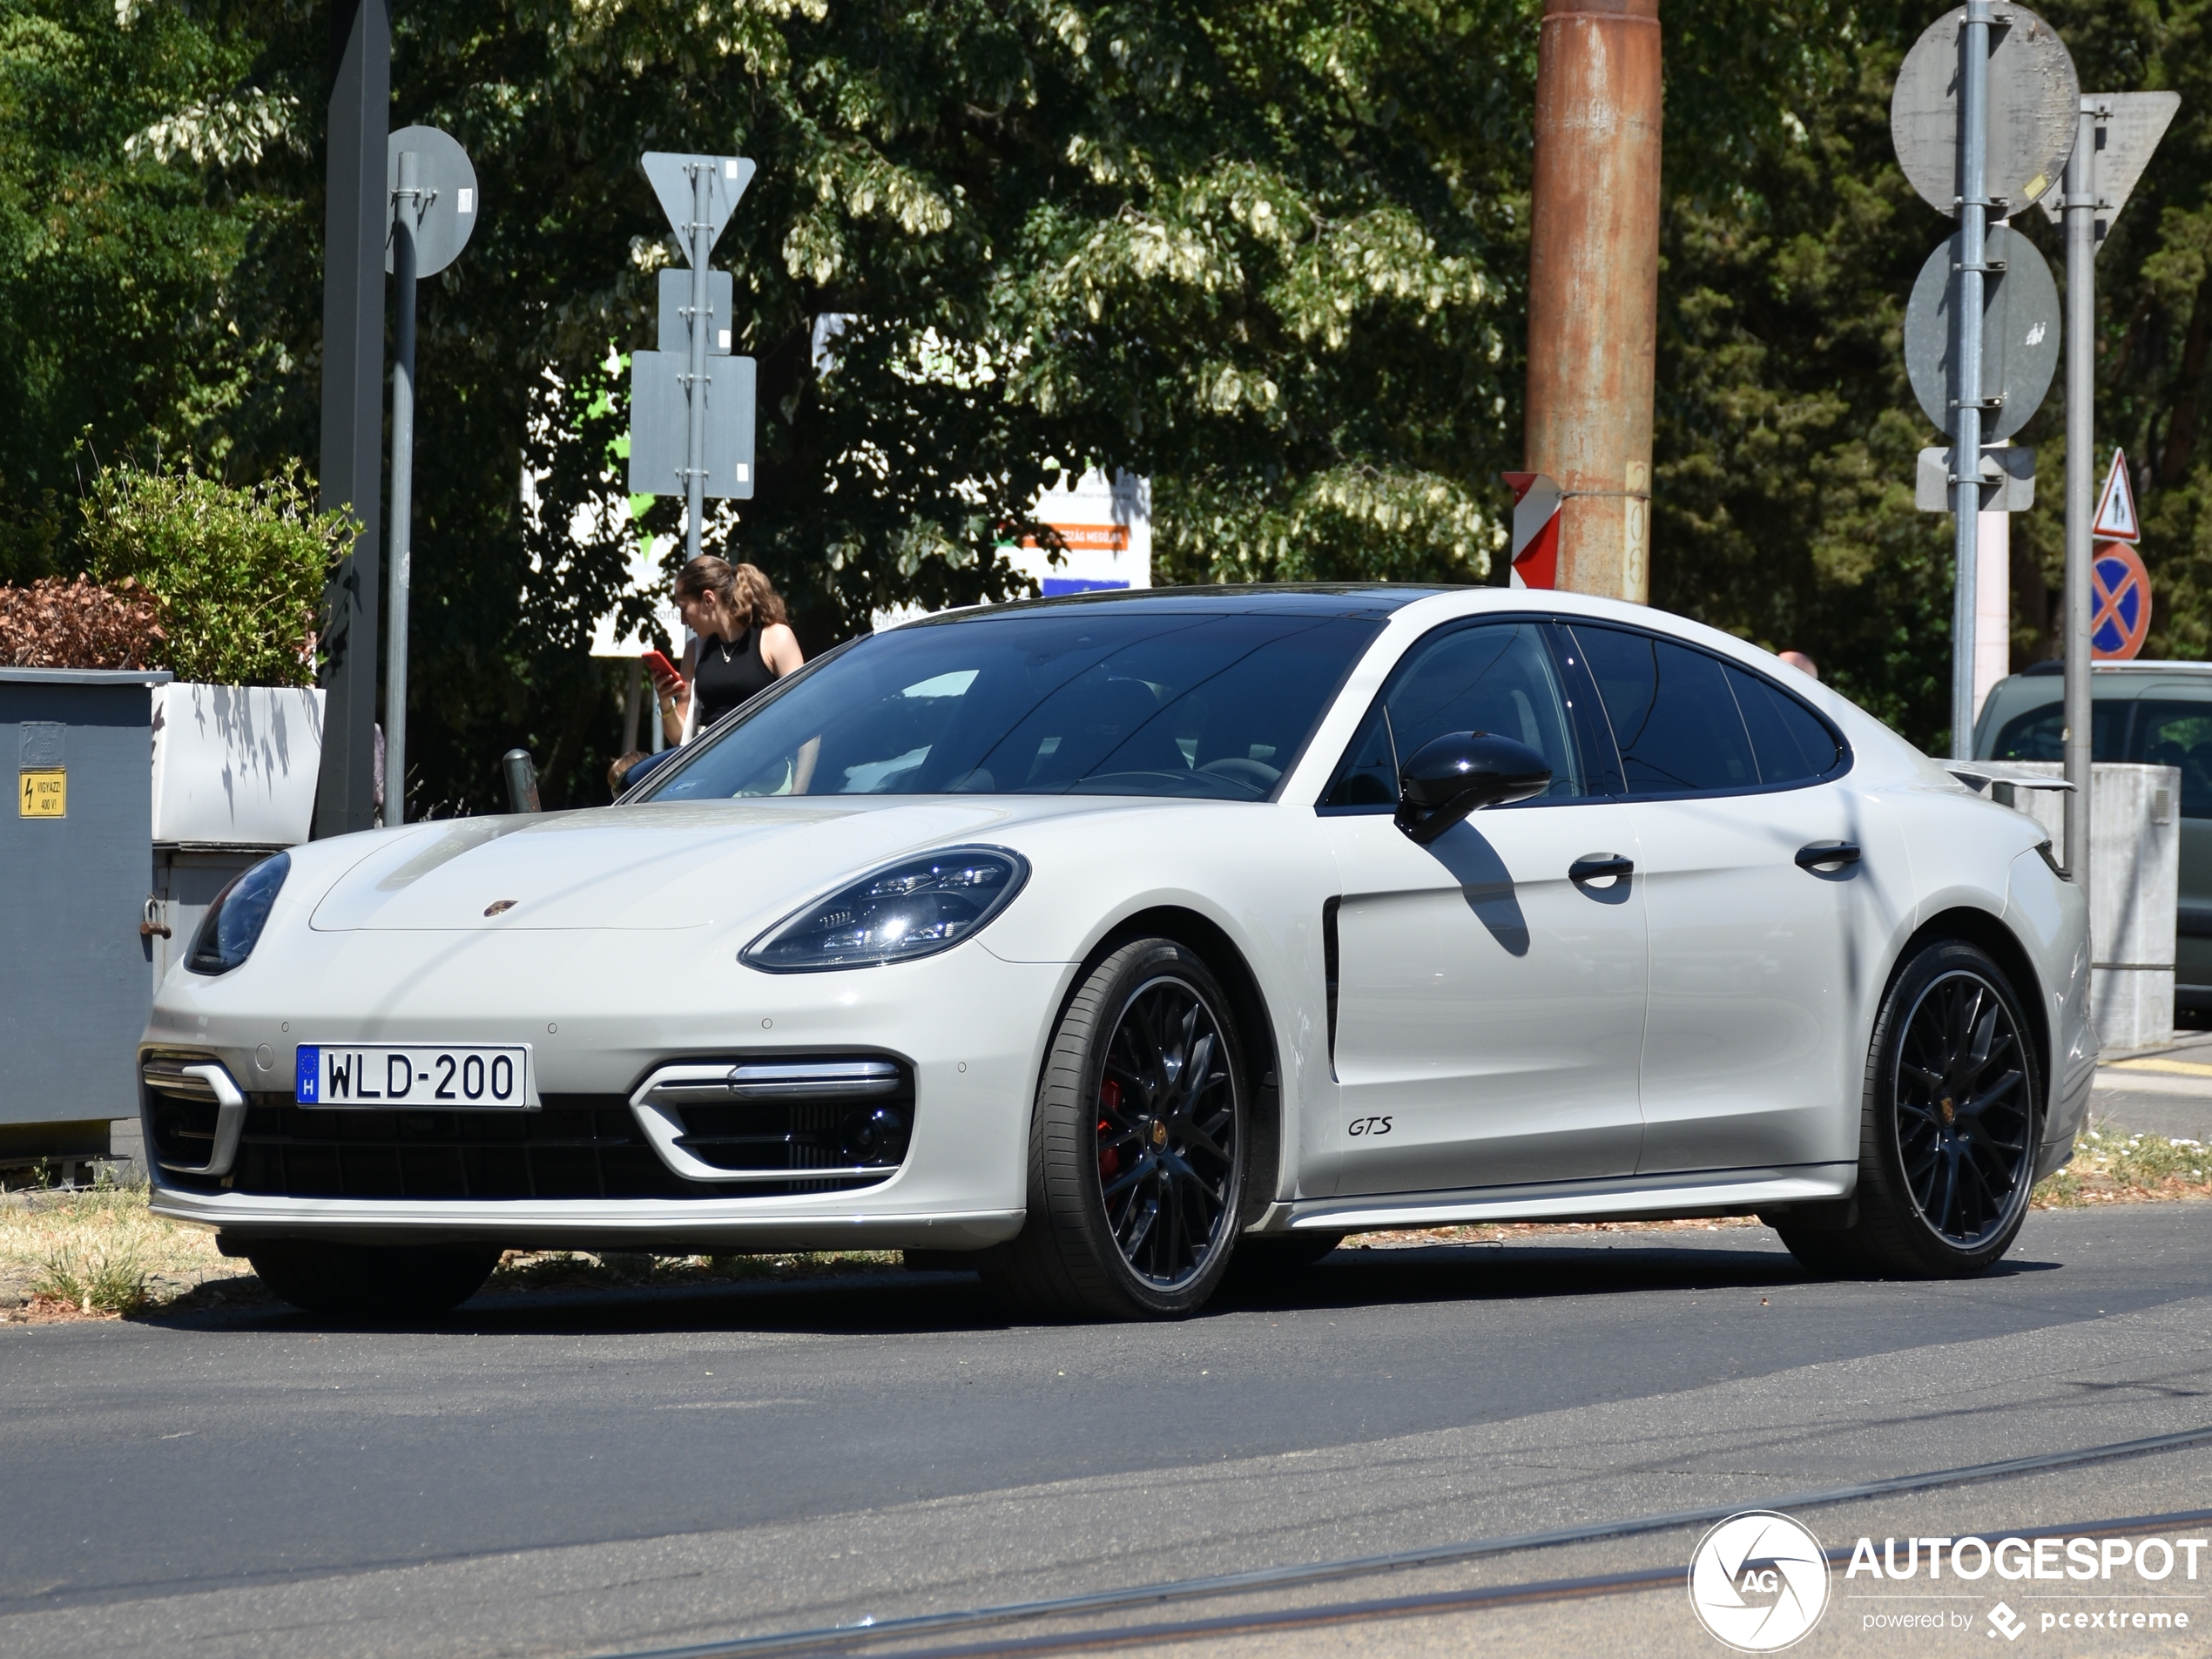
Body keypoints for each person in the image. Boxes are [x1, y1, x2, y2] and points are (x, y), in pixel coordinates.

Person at [609, 558, 806, 795]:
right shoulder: (695, 650)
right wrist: (665, 702)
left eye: (684, 608)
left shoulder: (775, 638)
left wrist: (800, 789)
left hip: (769, 785)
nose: (683, 620)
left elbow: (807, 723)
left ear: (708, 600)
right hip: (714, 785)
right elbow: (681, 737)